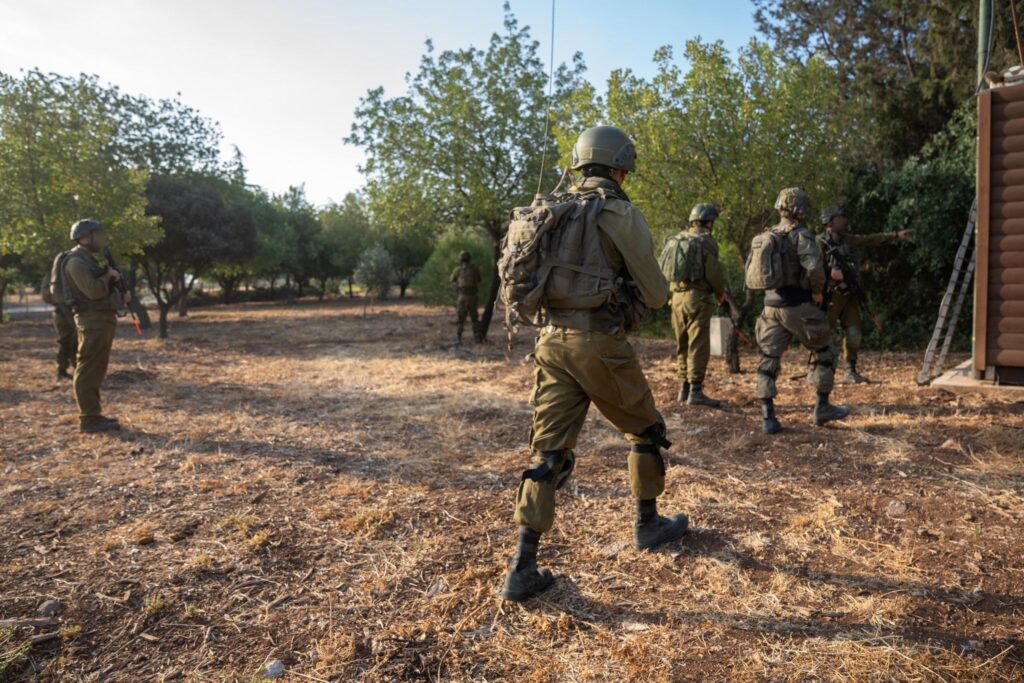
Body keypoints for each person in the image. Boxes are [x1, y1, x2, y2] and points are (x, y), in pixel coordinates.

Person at [502, 126, 688, 603]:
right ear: (619, 166)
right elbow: (657, 293)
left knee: (548, 455)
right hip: (599, 344)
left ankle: (523, 567)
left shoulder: (553, 210)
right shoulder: (618, 213)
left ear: (581, 164)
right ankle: (648, 524)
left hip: (550, 342)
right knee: (646, 431)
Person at [752, 188, 850, 435]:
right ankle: (822, 407)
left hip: (770, 307)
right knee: (825, 350)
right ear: (801, 211)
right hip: (798, 307)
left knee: (768, 360)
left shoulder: (767, 235)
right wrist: (818, 291)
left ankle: (768, 418)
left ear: (779, 209)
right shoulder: (801, 235)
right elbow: (814, 268)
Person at [817, 206, 914, 383]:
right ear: (829, 221)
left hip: (849, 295)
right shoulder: (819, 243)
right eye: (840, 217)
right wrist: (829, 272)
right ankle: (820, 371)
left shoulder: (848, 239)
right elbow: (809, 268)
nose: (844, 220)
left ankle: (850, 371)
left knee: (854, 333)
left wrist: (896, 235)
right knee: (824, 335)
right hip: (829, 296)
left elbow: (870, 240)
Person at [62, 219, 131, 433]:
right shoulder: (76, 261)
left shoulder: (87, 259)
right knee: (88, 369)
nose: (101, 239)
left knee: (96, 368)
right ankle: (89, 420)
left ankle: (94, 415)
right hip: (91, 321)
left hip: (100, 320)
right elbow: (92, 291)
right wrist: (108, 277)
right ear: (84, 237)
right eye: (97, 235)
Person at [661, 203, 727, 407]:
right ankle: (696, 392)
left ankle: (684, 388)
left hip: (676, 298)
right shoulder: (706, 242)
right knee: (698, 344)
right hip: (697, 298)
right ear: (708, 222)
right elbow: (713, 273)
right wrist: (720, 292)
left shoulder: (677, 239)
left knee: (682, 343)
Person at [449, 251, 482, 344]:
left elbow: (452, 279)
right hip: (473, 296)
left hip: (462, 296)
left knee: (461, 318)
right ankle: (476, 338)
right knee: (474, 317)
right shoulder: (475, 269)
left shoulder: (458, 270)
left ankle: (459, 338)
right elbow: (479, 279)